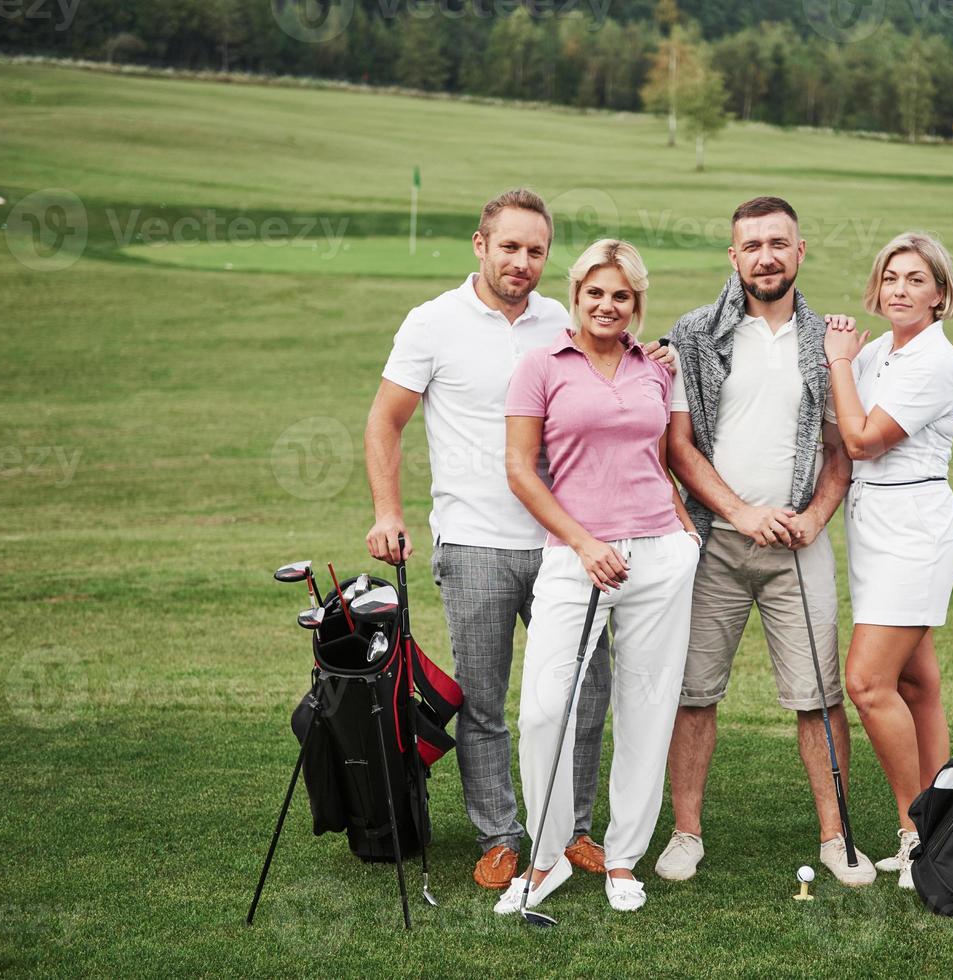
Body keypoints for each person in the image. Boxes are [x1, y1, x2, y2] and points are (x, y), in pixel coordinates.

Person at [363, 189, 675, 891]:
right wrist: (389, 511)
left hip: (568, 542)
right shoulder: (432, 323)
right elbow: (385, 421)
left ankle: (575, 830)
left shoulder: (562, 321)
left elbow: (616, 375)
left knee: (585, 691)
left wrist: (652, 358)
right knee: (484, 698)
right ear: (480, 245)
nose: (522, 262)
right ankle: (501, 834)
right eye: (509, 247)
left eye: (535, 250)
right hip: (473, 540)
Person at [653, 196, 871, 886]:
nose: (766, 256)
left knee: (819, 695)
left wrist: (815, 517)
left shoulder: (832, 342)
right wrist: (740, 512)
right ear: (733, 256)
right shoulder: (692, 334)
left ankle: (837, 837)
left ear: (799, 251)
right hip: (713, 539)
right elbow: (678, 449)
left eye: (778, 243)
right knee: (693, 692)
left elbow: (841, 448)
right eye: (752, 245)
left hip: (799, 545)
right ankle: (685, 832)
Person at [497, 239, 700, 914]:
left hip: (659, 557)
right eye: (595, 292)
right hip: (574, 558)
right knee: (543, 710)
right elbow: (522, 470)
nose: (607, 305)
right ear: (576, 294)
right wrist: (584, 544)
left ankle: (621, 860)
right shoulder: (540, 365)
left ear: (636, 304)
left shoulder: (658, 369)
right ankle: (546, 858)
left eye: (621, 295)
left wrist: (683, 530)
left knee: (645, 710)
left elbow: (674, 453)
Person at [822, 231, 953, 889]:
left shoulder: (932, 361)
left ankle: (914, 836)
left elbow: (860, 439)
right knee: (914, 684)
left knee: (867, 683)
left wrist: (835, 363)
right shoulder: (880, 350)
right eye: (890, 278)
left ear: (939, 294)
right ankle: (941, 830)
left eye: (915, 279)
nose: (900, 290)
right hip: (876, 529)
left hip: (913, 532)